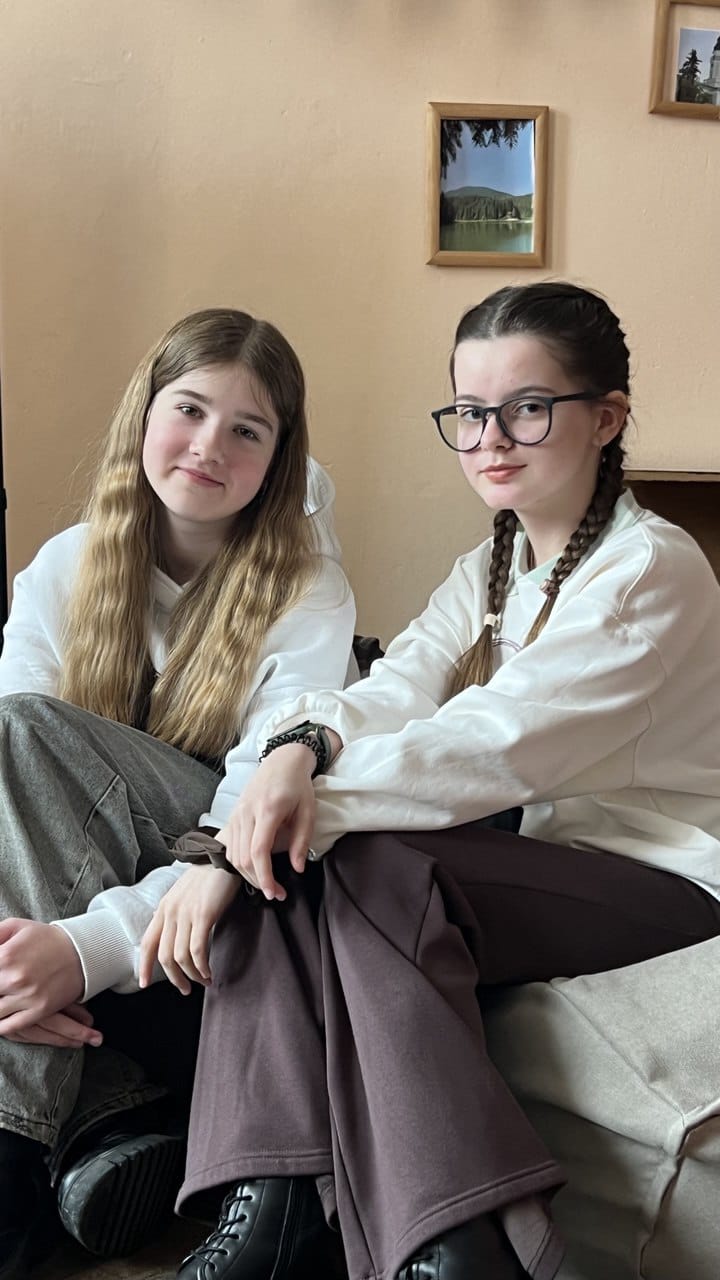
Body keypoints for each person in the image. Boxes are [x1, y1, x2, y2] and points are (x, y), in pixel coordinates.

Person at [139, 282, 720, 1280]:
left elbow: (489, 743)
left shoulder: (646, 571)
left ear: (606, 417)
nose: (491, 439)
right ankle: (276, 1204)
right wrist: (295, 752)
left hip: (664, 876)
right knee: (313, 855)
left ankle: (444, 1238)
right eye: (471, 412)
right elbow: (395, 684)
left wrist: (246, 835)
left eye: (527, 408)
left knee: (355, 855)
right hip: (546, 861)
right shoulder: (493, 563)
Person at [0, 307, 356, 1279]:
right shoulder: (67, 564)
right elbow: (11, 801)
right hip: (78, 884)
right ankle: (106, 1114)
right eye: (189, 409)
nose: (208, 446)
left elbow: (251, 808)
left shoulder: (308, 589)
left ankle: (17, 1162)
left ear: (278, 459)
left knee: (23, 729)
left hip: (216, 884)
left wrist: (80, 950)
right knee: (17, 743)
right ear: (145, 413)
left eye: (247, 429)